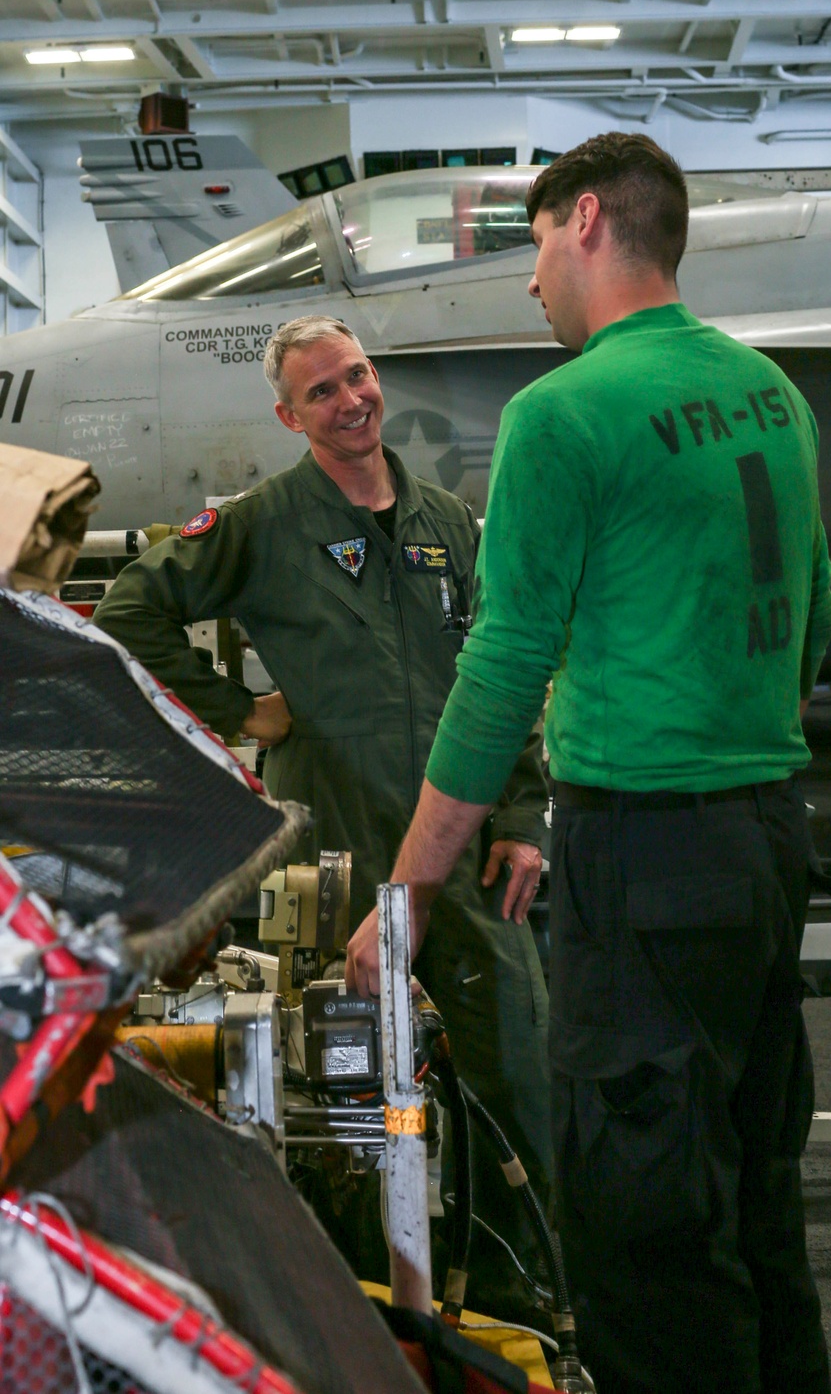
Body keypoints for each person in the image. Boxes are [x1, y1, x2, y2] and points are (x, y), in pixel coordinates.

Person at [346, 133, 831, 1393]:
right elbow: (814, 627)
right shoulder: (770, 391)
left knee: (643, 1232)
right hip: (769, 839)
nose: (527, 283)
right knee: (752, 1196)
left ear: (583, 224)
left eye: (530, 248)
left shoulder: (561, 413)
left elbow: (503, 665)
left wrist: (405, 891)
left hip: (646, 860)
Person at [93, 314, 552, 1313]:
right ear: (287, 415)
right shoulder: (260, 523)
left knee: (515, 1079)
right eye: (322, 392)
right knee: (341, 1098)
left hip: (461, 855)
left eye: (357, 377)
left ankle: (529, 1319)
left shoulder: (449, 524)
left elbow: (506, 678)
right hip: (335, 859)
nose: (351, 401)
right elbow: (132, 611)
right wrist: (240, 710)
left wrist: (521, 816)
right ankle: (362, 1320)